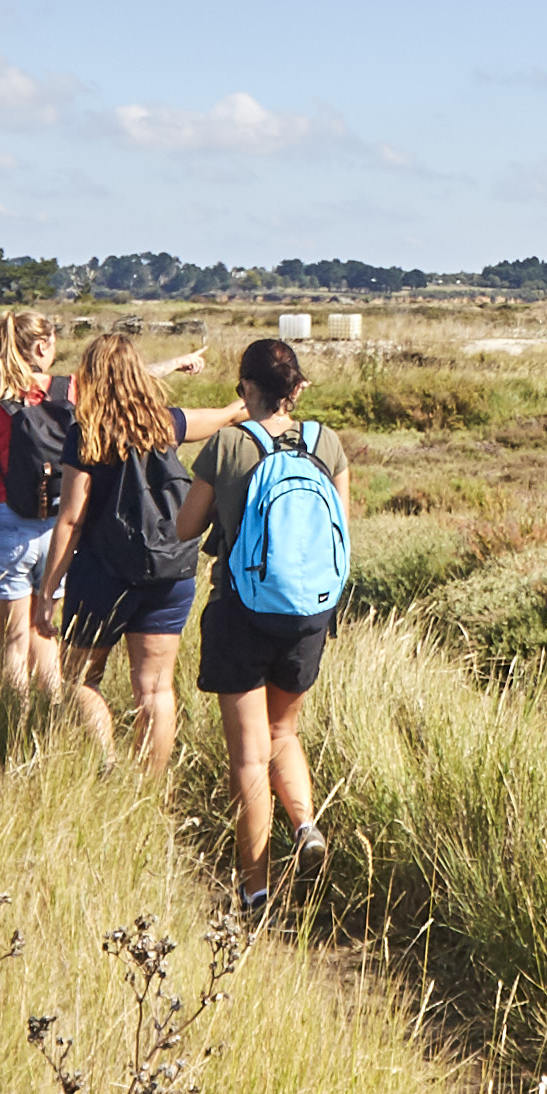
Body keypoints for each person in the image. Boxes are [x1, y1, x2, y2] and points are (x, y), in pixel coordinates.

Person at [191, 336, 351, 914]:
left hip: (240, 611)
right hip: (310, 614)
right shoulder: (324, 442)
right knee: (284, 732)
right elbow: (340, 534)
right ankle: (306, 824)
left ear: (248, 389)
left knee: (247, 757)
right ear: (298, 390)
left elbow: (187, 526)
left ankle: (255, 887)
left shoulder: (228, 446)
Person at [43, 329, 201, 771]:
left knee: (79, 678)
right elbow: (225, 417)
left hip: (103, 574)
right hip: (169, 571)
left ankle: (107, 761)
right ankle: (146, 790)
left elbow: (71, 519)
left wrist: (48, 589)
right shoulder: (167, 424)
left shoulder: (86, 434)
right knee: (155, 690)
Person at [0, 309, 83, 738]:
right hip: (60, 527)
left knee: (14, 641)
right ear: (42, 346)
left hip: (9, 525)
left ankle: (13, 727)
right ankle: (52, 722)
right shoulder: (72, 392)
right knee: (45, 631)